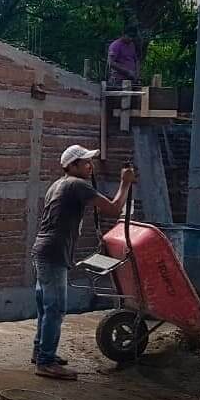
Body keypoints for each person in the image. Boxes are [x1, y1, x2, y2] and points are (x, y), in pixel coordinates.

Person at [31, 144, 136, 380]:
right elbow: (113, 208)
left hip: (44, 250)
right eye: (86, 162)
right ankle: (46, 362)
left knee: (45, 307)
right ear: (72, 166)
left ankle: (41, 352)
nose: (90, 165)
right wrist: (126, 182)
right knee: (55, 308)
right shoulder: (76, 184)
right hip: (53, 252)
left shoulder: (58, 185)